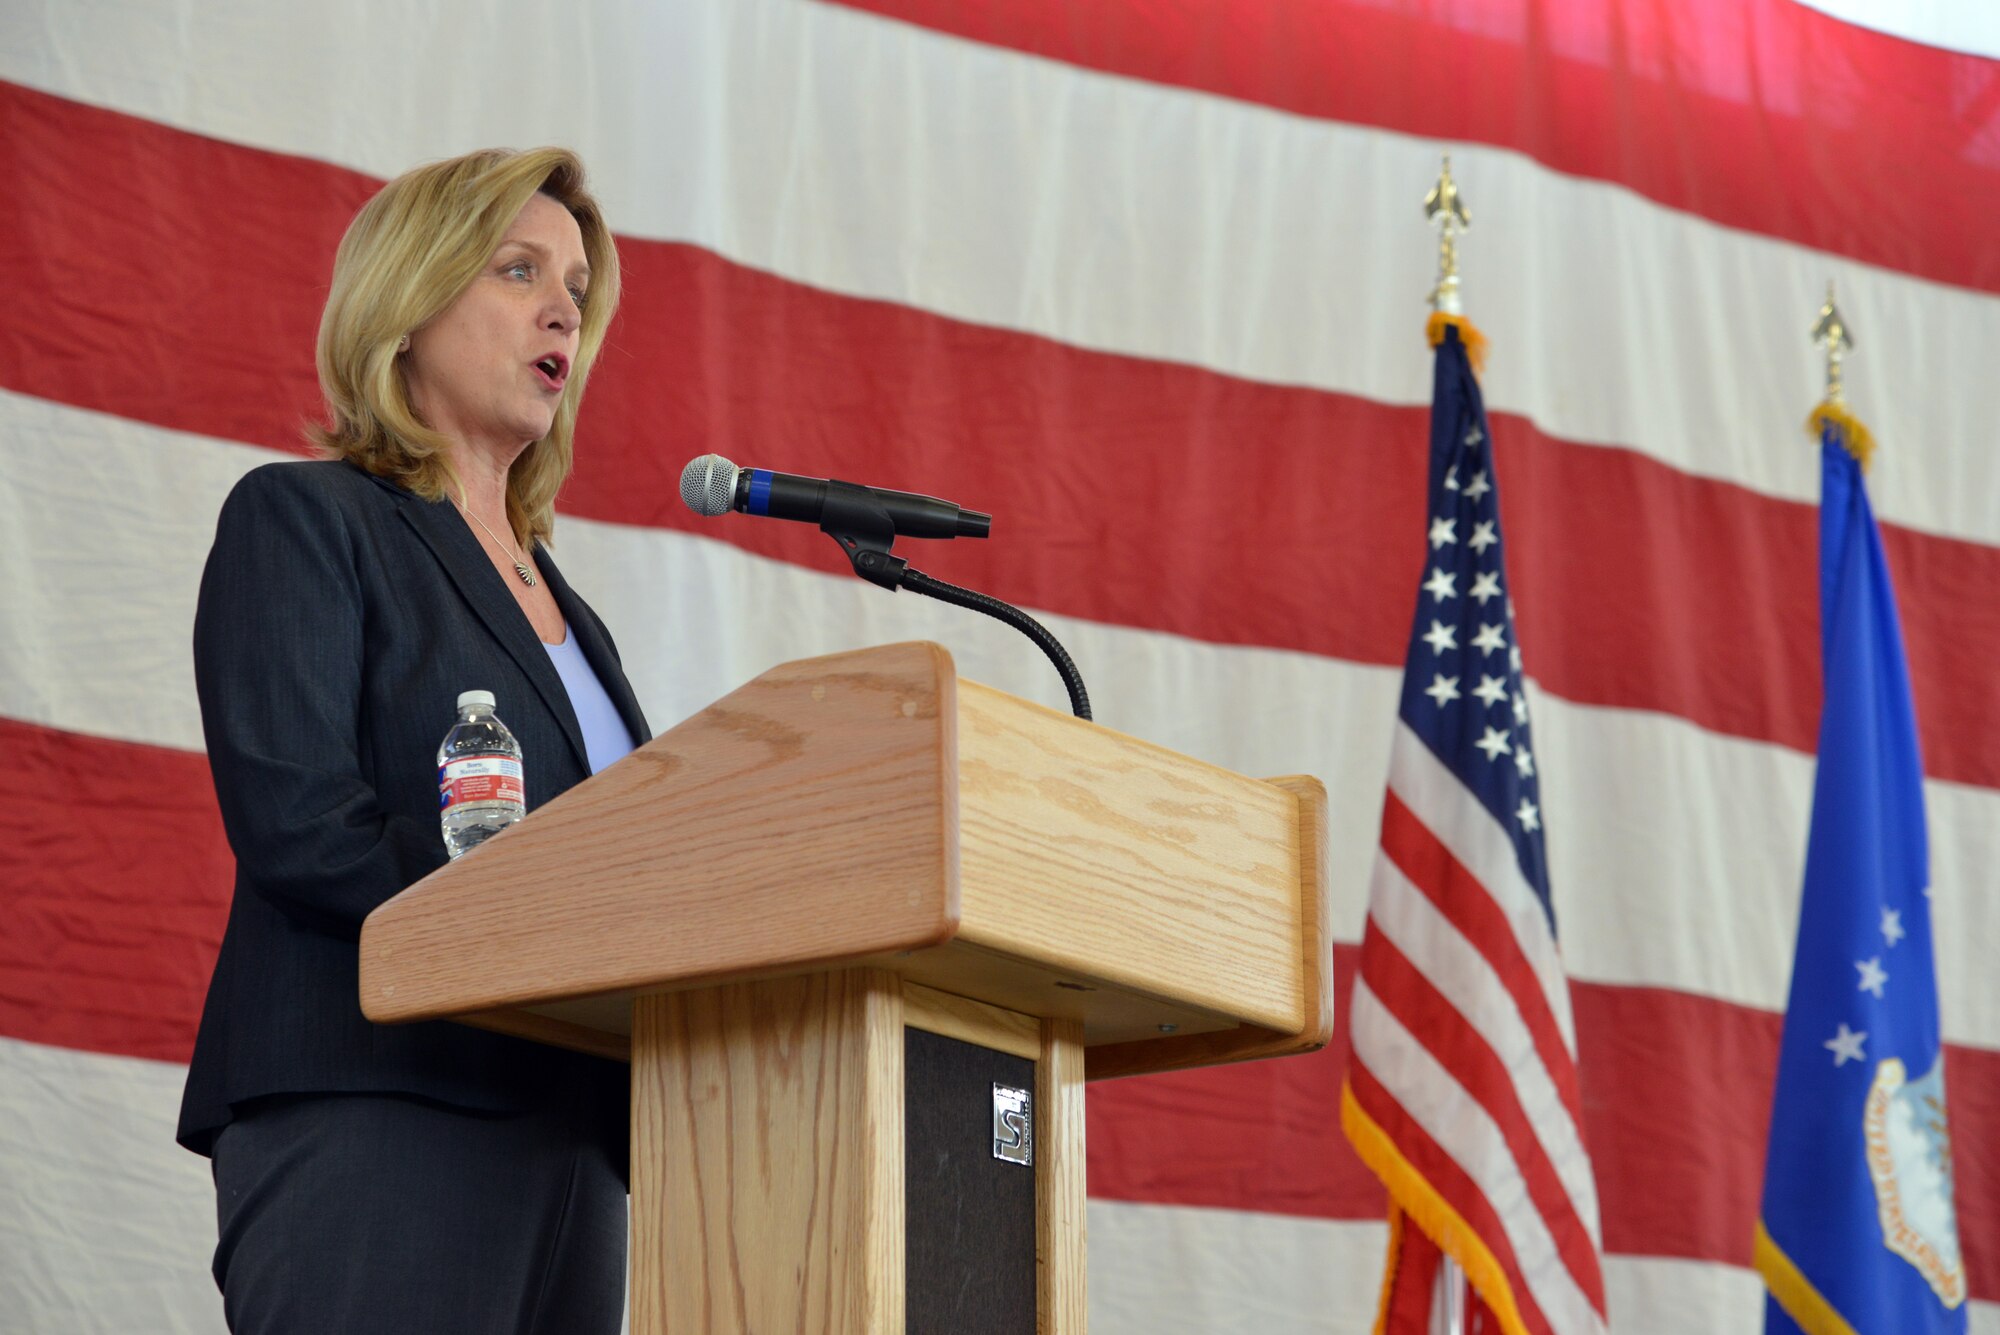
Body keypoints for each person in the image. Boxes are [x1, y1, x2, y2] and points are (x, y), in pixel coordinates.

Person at [175, 147, 649, 1335]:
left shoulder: (573, 616)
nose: (562, 309)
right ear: (410, 299)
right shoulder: (308, 519)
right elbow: (301, 823)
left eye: (577, 289)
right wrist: (537, 920)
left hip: (572, 1130)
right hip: (379, 1099)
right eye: (518, 270)